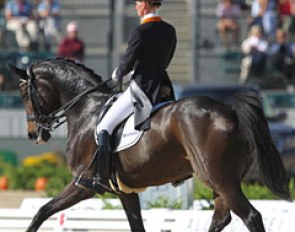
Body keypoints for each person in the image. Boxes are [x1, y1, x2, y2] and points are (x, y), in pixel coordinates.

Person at [94, 0, 177, 189]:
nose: (136, 6)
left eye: (138, 3)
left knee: (104, 127)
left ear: (146, 5)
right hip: (163, 85)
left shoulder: (140, 31)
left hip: (142, 88)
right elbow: (164, 60)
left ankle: (101, 177)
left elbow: (127, 62)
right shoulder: (170, 30)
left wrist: (119, 74)